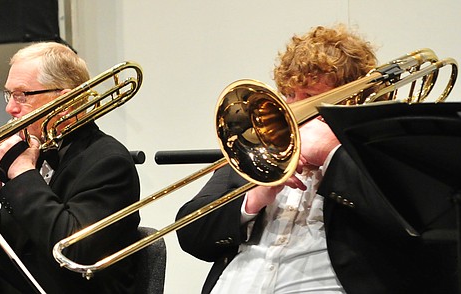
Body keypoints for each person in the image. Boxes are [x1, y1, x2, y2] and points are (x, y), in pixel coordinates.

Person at [176, 24, 458, 294]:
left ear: (351, 100)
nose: (293, 108)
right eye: (288, 94)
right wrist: (255, 198)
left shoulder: (380, 152)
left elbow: (420, 229)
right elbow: (191, 235)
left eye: (310, 96)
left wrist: (331, 155)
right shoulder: (257, 150)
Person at [0, 42, 142, 293]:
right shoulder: (35, 153)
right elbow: (19, 253)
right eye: (9, 95)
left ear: (64, 101)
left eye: (22, 95)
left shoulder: (109, 162)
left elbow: (73, 253)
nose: (10, 108)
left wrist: (24, 176)